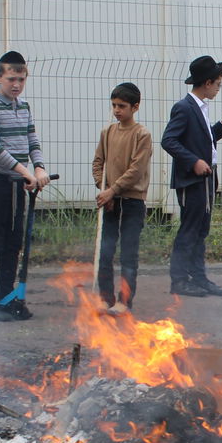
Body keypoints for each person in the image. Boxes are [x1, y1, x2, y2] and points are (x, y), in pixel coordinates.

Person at [0, 50, 49, 322]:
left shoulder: (24, 106)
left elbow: (32, 141)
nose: (16, 85)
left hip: (20, 182)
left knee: (14, 242)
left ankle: (5, 299)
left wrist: (39, 168)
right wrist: (24, 171)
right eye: (11, 79)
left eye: (21, 79)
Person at [161, 55, 222, 298]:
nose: (219, 88)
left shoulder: (200, 107)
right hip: (192, 180)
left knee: (201, 230)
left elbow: (201, 140)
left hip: (205, 179)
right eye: (218, 84)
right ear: (207, 83)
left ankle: (199, 277)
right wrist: (193, 161)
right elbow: (168, 140)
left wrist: (221, 127)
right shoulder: (184, 107)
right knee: (190, 229)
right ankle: (179, 281)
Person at [92, 82, 152, 315]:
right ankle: (104, 298)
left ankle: (124, 301)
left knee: (128, 253)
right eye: (114, 106)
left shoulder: (142, 135)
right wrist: (103, 187)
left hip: (132, 201)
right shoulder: (107, 132)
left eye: (122, 106)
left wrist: (113, 190)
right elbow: (98, 163)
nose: (117, 110)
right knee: (105, 251)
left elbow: (136, 170)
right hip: (109, 201)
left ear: (135, 107)